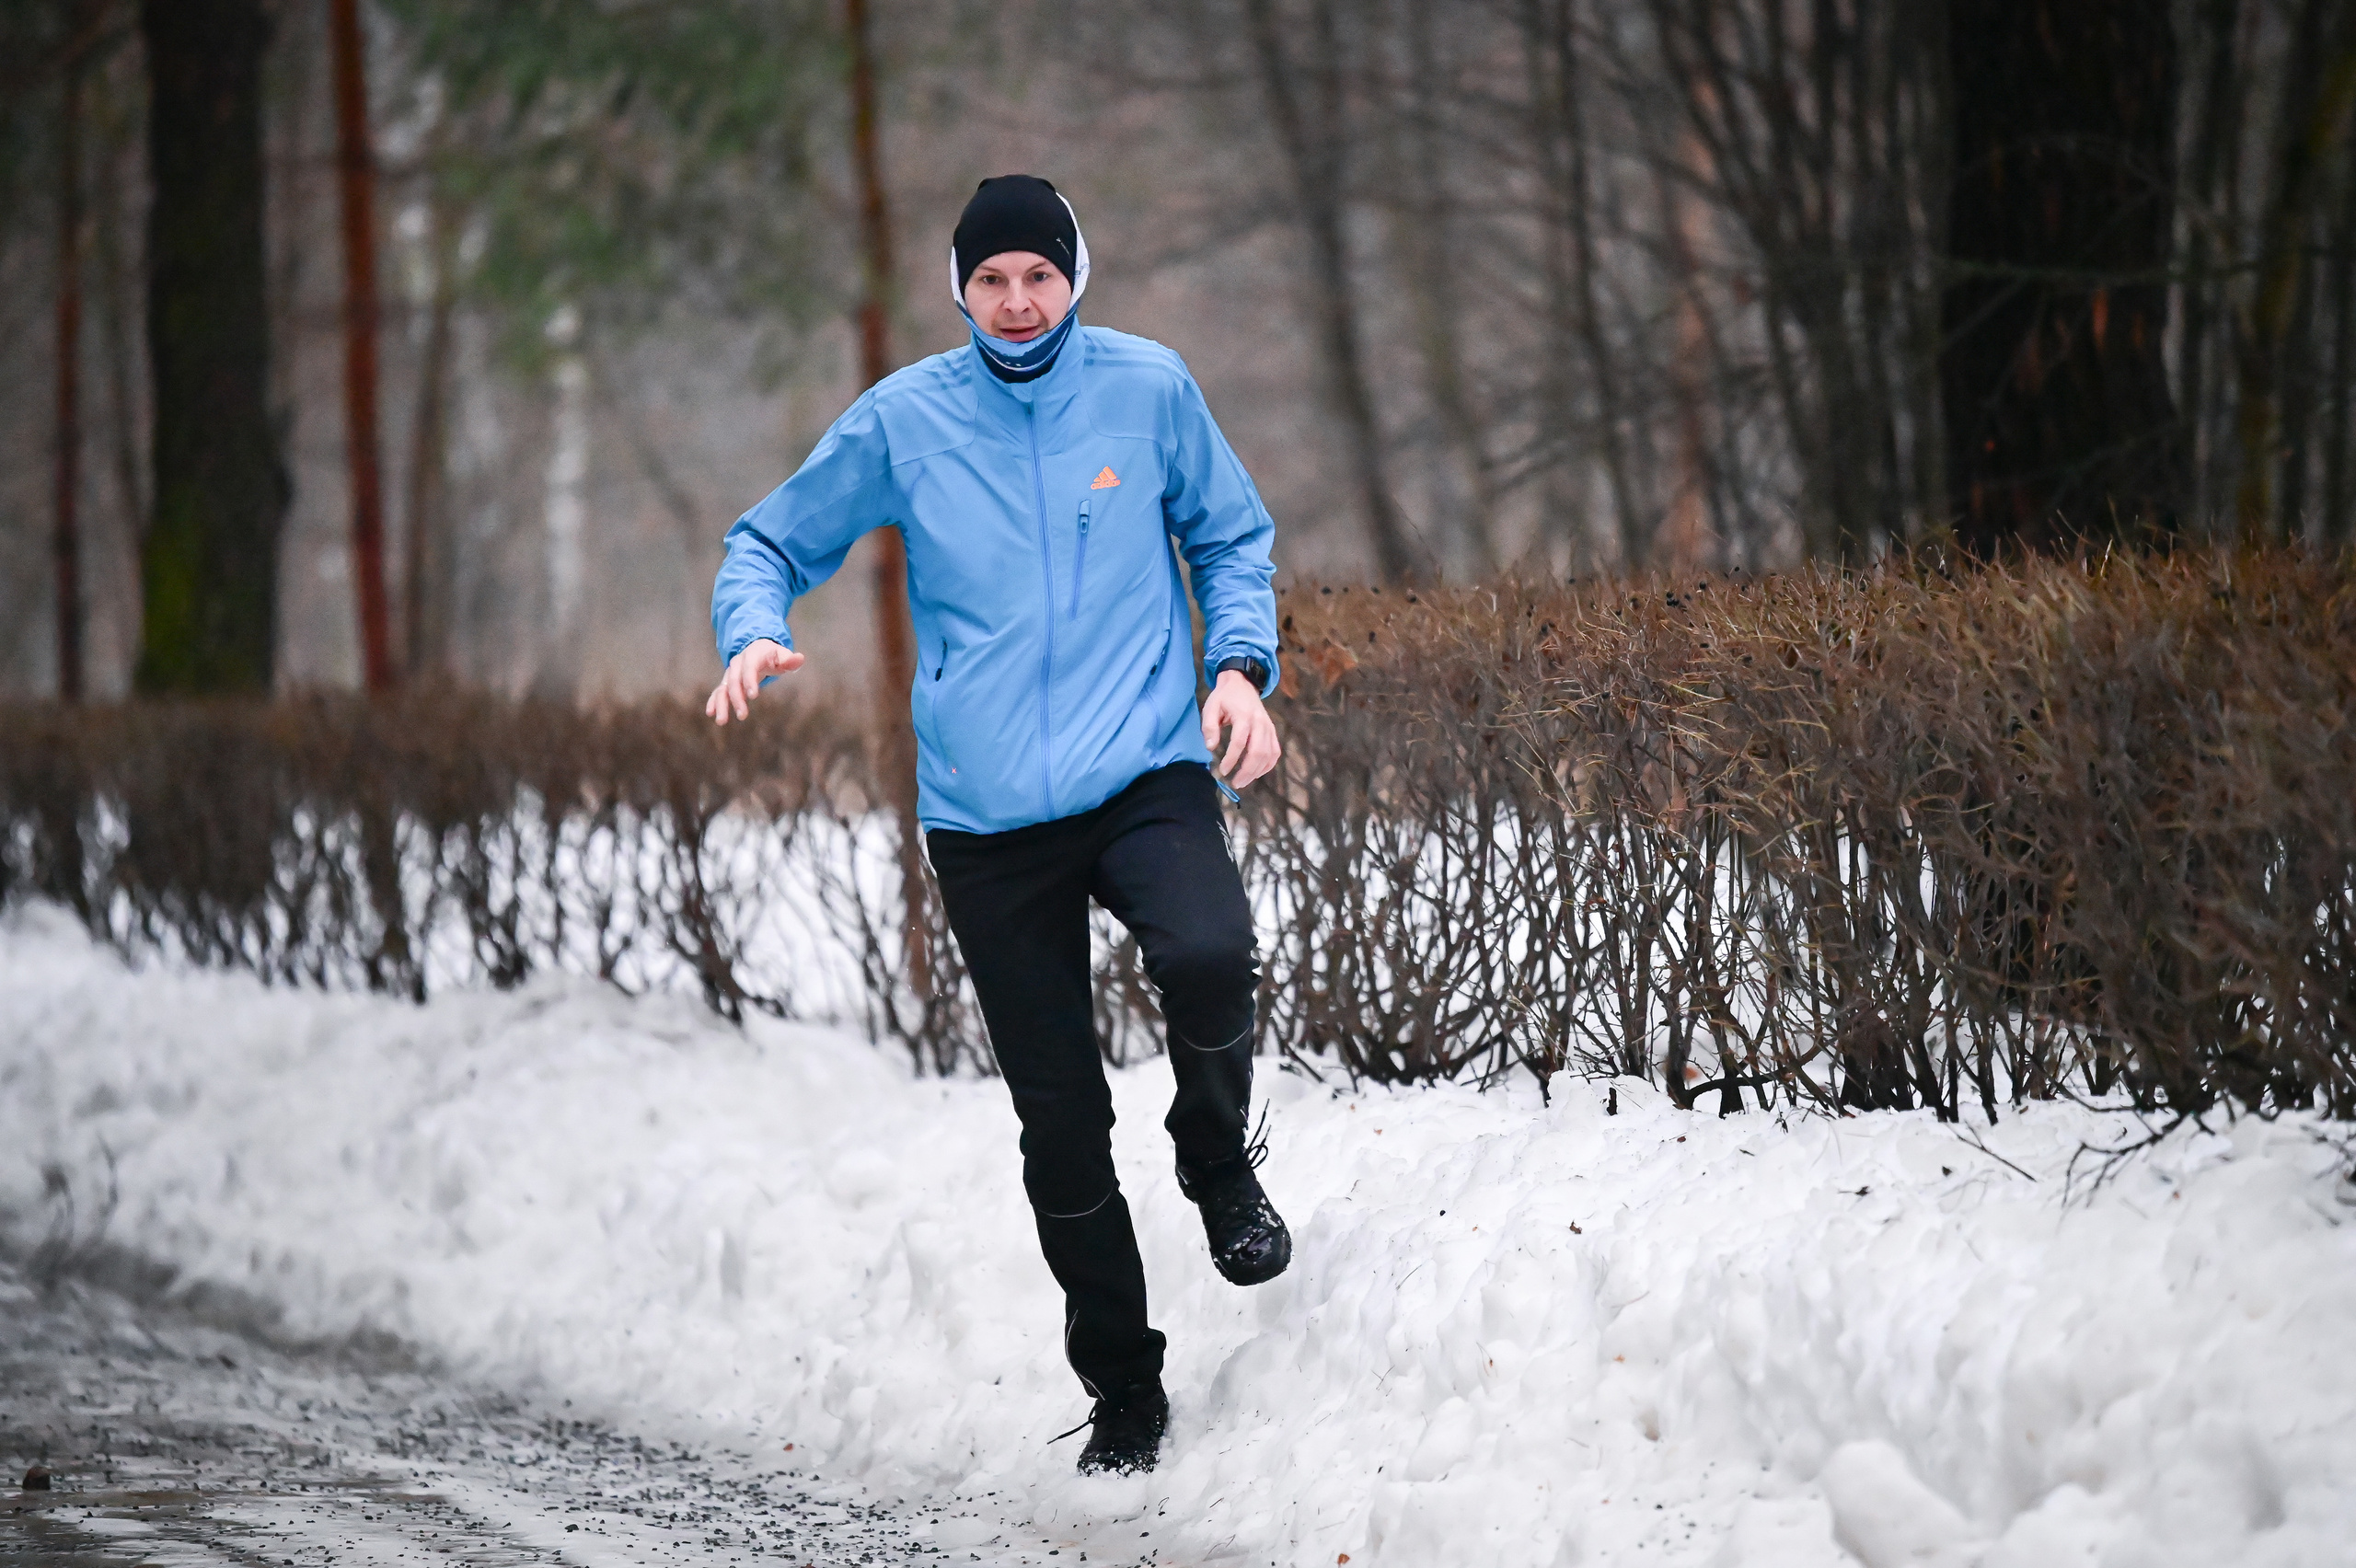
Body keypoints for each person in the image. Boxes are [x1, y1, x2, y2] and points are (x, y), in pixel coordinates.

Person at [705, 175, 1290, 1477]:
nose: (1016, 303)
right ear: (959, 291)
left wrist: (1239, 664)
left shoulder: (1148, 389)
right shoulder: (907, 420)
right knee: (1061, 1120)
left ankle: (1214, 1160)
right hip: (989, 818)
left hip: (1144, 764)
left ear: (1076, 274)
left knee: (1207, 955)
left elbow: (1231, 538)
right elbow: (768, 541)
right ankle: (1125, 1389)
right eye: (990, 281)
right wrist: (754, 626)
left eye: (1038, 276)